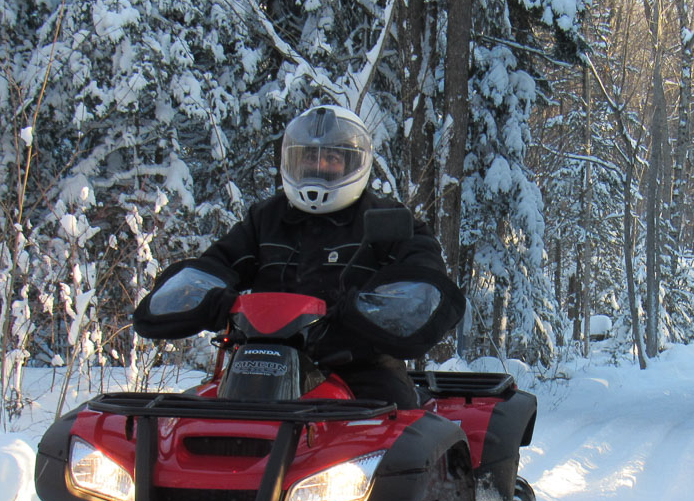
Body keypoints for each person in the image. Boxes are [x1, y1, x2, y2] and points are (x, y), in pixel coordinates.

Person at [134, 104, 459, 408]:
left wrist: (370, 310)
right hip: (259, 364)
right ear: (291, 160)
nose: (319, 166)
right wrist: (210, 299)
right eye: (308, 157)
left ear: (354, 162)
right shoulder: (266, 218)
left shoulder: (389, 220)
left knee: (403, 431)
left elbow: (425, 281)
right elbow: (217, 263)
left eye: (332, 158)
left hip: (360, 367)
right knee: (187, 421)